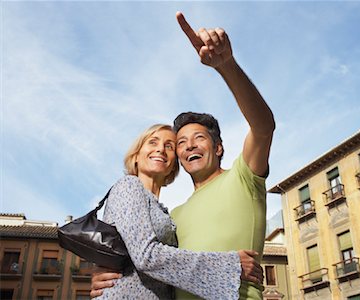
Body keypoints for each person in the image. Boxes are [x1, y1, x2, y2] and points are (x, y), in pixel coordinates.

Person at [91, 11, 275, 300]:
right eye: (181, 142)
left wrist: (226, 65)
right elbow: (154, 260)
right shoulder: (172, 217)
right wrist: (111, 279)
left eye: (199, 138)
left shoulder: (243, 178)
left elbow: (263, 127)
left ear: (218, 147)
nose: (188, 145)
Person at [94, 124, 262, 299]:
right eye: (153, 142)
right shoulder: (129, 185)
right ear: (135, 156)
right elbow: (145, 256)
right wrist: (229, 265)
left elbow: (168, 270)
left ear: (173, 165)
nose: (160, 149)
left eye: (169, 146)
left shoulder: (166, 213)